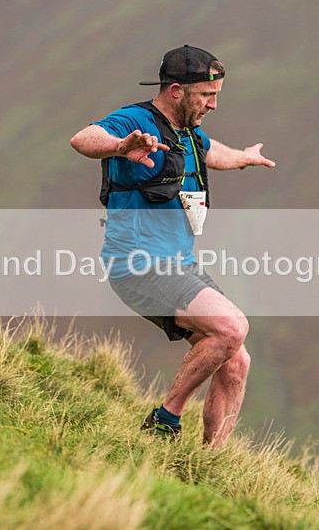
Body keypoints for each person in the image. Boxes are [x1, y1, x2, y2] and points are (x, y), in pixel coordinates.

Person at [70, 45, 275, 448]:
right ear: (177, 90)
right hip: (138, 265)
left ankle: (212, 462)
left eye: (216, 95)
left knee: (236, 359)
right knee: (232, 327)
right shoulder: (136, 120)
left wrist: (245, 158)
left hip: (178, 264)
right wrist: (119, 147)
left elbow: (213, 152)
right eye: (207, 95)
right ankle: (165, 419)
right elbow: (83, 138)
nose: (214, 105)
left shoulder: (189, 132)